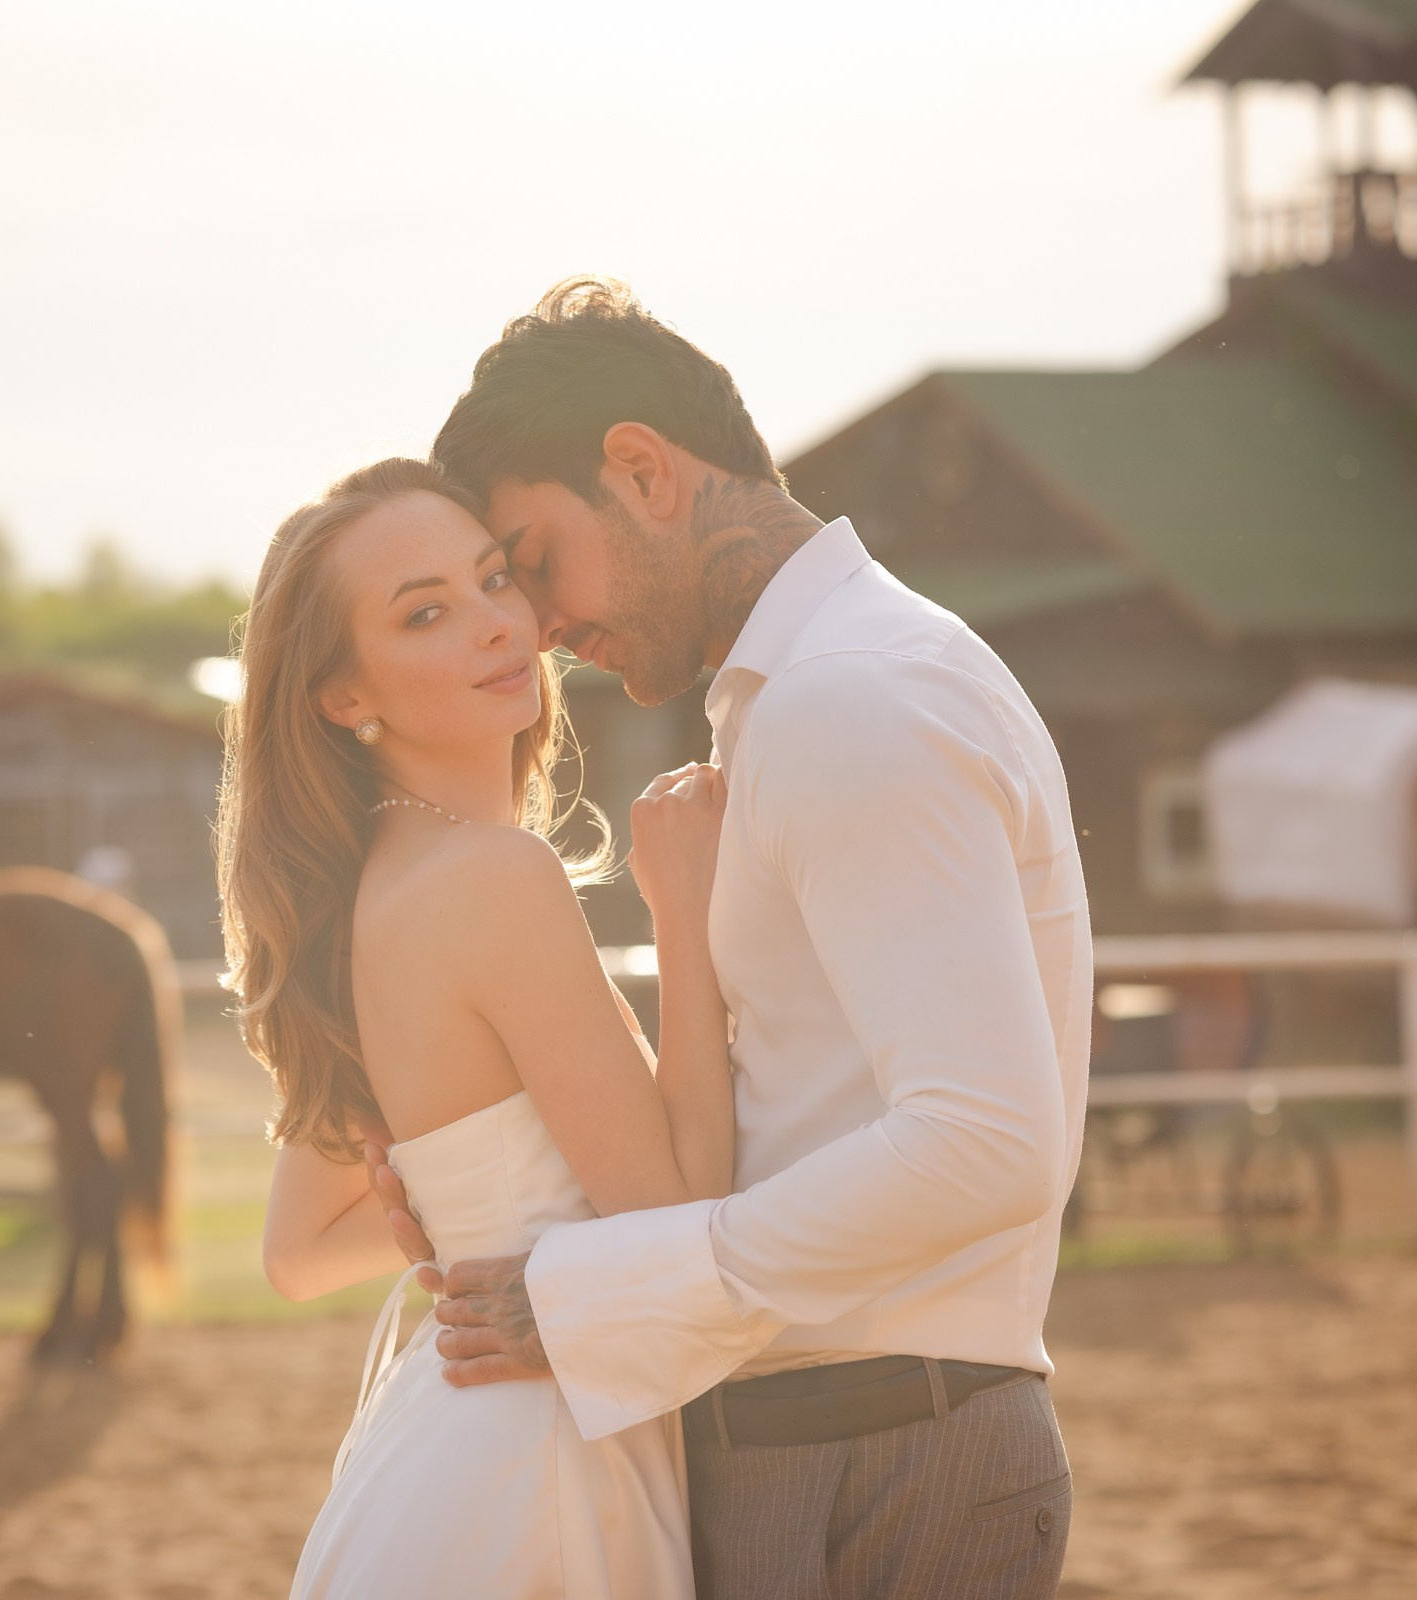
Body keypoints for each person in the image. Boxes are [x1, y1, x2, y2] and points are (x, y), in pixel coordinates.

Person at [369, 278, 1094, 1598]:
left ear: (641, 469)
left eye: (533, 565)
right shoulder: (815, 695)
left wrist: (610, 1286)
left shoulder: (848, 703)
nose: (539, 632)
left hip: (883, 1459)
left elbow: (989, 1141)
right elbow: (807, 1098)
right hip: (842, 1440)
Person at [219, 456, 737, 1596]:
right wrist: (687, 922)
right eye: (426, 613)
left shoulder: (357, 894)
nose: (498, 625)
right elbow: (677, 1219)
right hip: (537, 1469)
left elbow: (299, 1253)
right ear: (345, 694)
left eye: (495, 580)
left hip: (442, 1459)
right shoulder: (496, 876)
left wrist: (453, 1223)